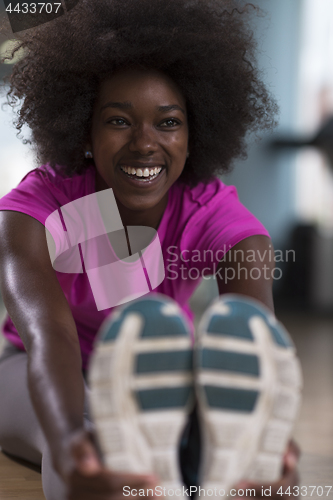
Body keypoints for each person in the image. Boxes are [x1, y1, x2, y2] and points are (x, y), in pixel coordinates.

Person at [0, 1, 300, 499]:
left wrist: (269, 440)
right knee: (94, 442)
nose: (145, 143)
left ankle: (198, 466)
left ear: (193, 132)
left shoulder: (218, 217)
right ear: (86, 131)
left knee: (192, 433)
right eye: (119, 121)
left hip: (158, 374)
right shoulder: (38, 207)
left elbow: (253, 344)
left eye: (168, 122)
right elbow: (50, 337)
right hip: (35, 369)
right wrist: (72, 439)